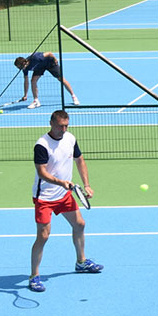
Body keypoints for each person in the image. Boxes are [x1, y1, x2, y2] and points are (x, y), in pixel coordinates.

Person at [28, 109, 102, 293]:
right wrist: (61, 182)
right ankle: (34, 276)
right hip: (45, 198)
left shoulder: (70, 138)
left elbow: (79, 159)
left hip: (64, 195)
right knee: (43, 236)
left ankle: (81, 262)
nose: (64, 129)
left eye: (66, 125)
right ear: (51, 124)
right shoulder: (42, 145)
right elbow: (42, 173)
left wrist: (86, 184)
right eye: (61, 126)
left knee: (79, 224)